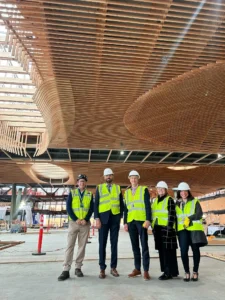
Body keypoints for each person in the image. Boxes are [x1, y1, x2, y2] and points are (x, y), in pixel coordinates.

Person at [58, 174, 93, 281]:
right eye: (80, 181)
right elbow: (68, 207)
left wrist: (86, 219)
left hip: (85, 224)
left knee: (82, 246)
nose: (81, 183)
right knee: (70, 245)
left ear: (85, 183)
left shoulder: (89, 194)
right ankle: (66, 269)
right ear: (77, 183)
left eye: (83, 181)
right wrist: (75, 219)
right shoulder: (72, 193)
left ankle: (78, 268)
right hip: (74, 223)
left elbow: (91, 208)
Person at [94, 168, 124, 279]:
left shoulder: (118, 188)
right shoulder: (100, 188)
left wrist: (120, 216)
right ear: (104, 177)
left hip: (115, 219)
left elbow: (121, 204)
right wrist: (97, 218)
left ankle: (113, 267)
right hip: (103, 220)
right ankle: (102, 268)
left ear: (113, 176)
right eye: (106, 175)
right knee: (102, 244)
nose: (108, 177)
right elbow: (96, 204)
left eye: (110, 175)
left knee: (114, 244)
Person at [175, 182, 207, 282]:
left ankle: (195, 272)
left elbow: (199, 214)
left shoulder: (195, 201)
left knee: (195, 251)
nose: (183, 193)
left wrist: (189, 218)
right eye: (181, 191)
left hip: (193, 229)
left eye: (185, 191)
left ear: (188, 192)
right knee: (183, 251)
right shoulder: (177, 204)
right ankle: (187, 272)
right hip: (182, 230)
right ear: (179, 192)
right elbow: (175, 218)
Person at [124, 170, 151, 281]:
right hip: (131, 222)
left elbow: (147, 205)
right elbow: (126, 209)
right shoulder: (126, 192)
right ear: (129, 179)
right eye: (132, 178)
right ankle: (137, 269)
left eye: (135, 178)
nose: (133, 180)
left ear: (138, 179)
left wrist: (148, 219)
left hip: (141, 221)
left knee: (144, 246)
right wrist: (125, 222)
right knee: (135, 247)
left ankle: (145, 270)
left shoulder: (143, 190)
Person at [151, 181, 179, 280]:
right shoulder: (155, 201)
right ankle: (167, 271)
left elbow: (172, 215)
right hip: (157, 229)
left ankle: (168, 272)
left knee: (168, 252)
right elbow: (153, 214)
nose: (160, 190)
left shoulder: (169, 200)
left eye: (162, 189)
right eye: (158, 189)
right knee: (162, 251)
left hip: (166, 229)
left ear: (166, 190)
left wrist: (169, 229)